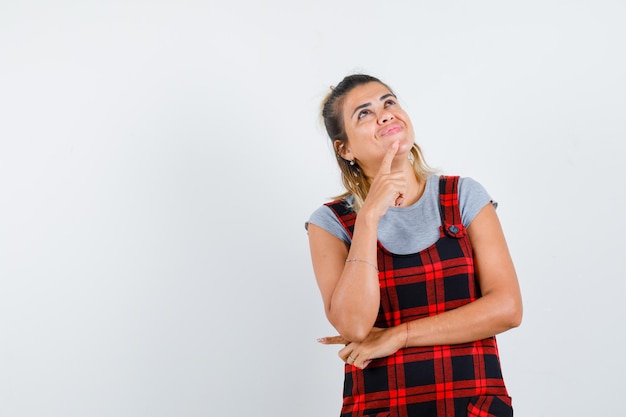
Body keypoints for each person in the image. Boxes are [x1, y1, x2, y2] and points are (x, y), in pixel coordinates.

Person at [305, 74, 523, 417]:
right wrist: (368, 217)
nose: (385, 114)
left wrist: (398, 336)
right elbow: (354, 326)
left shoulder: (463, 196)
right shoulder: (330, 223)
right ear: (344, 148)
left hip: (474, 408)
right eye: (364, 113)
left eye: (389, 102)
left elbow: (508, 309)